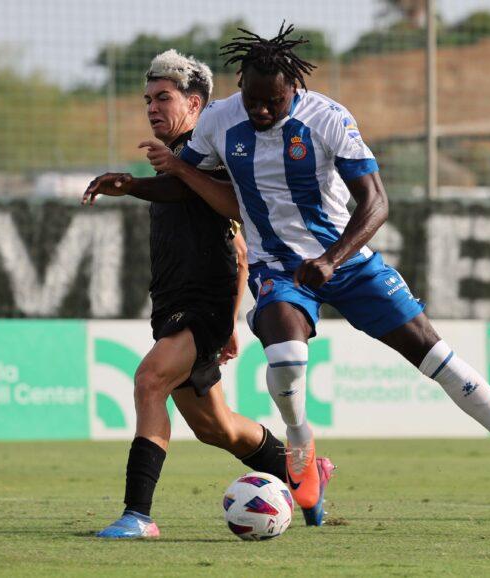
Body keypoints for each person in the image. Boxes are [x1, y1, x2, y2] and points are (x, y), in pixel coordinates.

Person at [110, 25, 490, 514]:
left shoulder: (328, 118)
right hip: (280, 268)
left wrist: (332, 259)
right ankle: (300, 446)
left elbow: (376, 202)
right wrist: (134, 185)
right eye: (252, 99)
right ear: (241, 87)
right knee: (285, 355)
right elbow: (182, 184)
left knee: (437, 358)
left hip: (349, 260)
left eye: (271, 103)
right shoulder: (220, 120)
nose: (260, 111)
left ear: (293, 91)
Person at [81, 49, 335, 539]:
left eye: (164, 98)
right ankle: (304, 471)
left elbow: (241, 243)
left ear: (196, 105)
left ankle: (139, 515)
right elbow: (238, 242)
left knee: (149, 380)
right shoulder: (173, 165)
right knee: (217, 428)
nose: (152, 108)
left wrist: (231, 318)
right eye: (147, 100)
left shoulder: (210, 157)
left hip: (202, 305)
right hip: (174, 307)